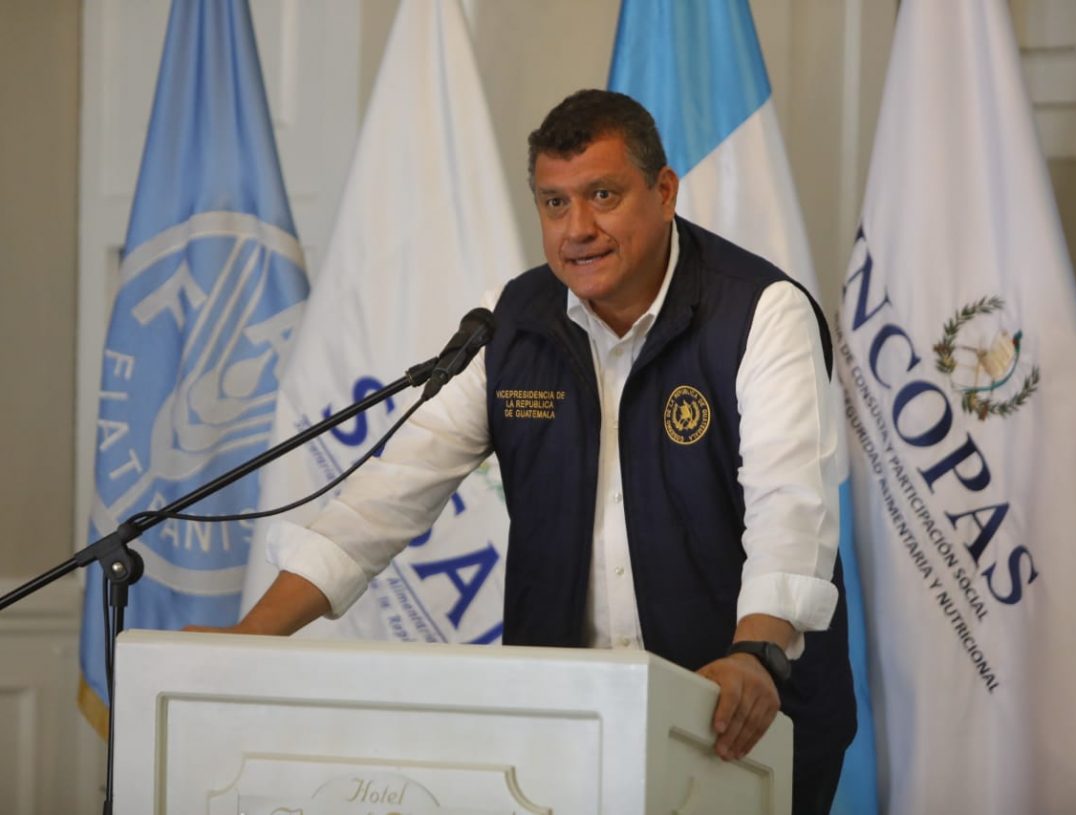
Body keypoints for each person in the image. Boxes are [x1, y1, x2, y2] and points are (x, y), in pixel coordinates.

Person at [210, 89, 855, 815]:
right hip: (567, 724)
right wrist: (244, 644)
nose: (577, 229)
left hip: (739, 720)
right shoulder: (511, 324)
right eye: (554, 203)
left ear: (664, 191)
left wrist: (757, 651)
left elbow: (788, 506)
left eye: (603, 195)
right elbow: (385, 499)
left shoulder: (759, 311)